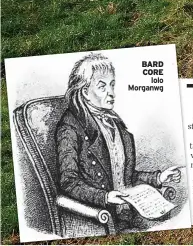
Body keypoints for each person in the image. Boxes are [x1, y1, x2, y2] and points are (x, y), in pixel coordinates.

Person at [55, 53, 181, 229]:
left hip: (130, 212)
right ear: (85, 91)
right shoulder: (70, 128)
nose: (111, 93)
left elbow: (125, 176)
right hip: (102, 218)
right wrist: (104, 197)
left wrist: (158, 177)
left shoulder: (114, 123)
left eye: (112, 85)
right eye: (102, 87)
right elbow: (69, 182)